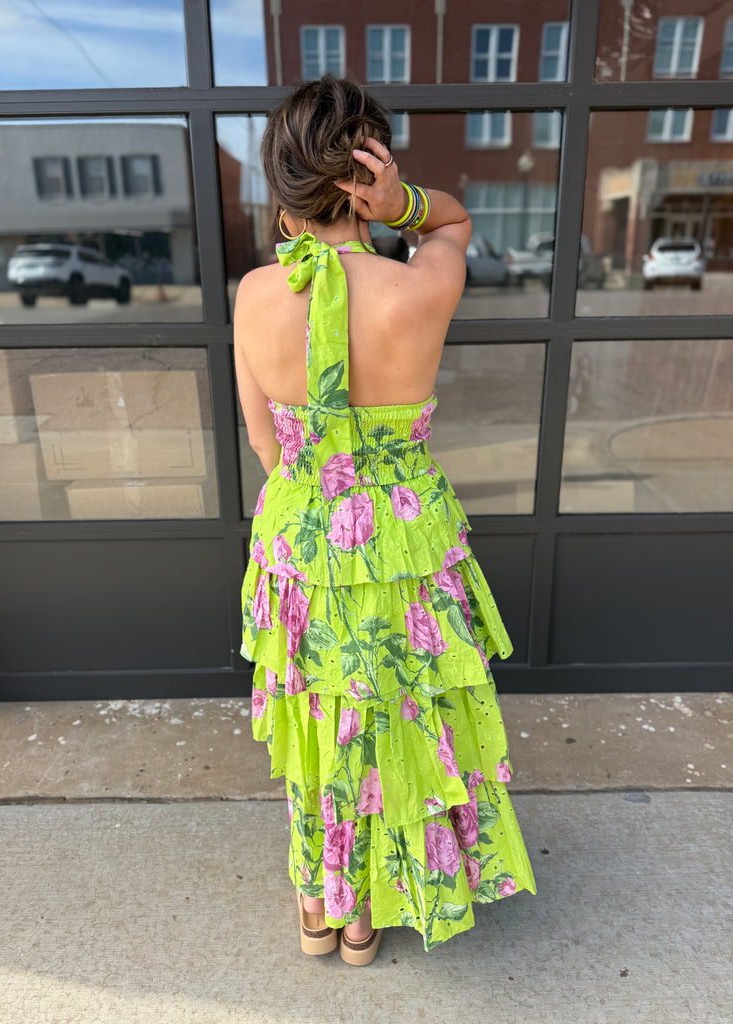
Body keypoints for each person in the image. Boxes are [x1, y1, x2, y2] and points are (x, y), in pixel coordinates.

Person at [234, 75, 536, 965]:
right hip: (403, 540)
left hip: (302, 541)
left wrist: (319, 501)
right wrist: (402, 203)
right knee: (399, 719)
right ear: (366, 171)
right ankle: (373, 908)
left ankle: (321, 905)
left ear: (285, 184)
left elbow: (263, 442)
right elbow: (452, 222)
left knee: (320, 721)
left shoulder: (254, 293)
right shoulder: (419, 286)